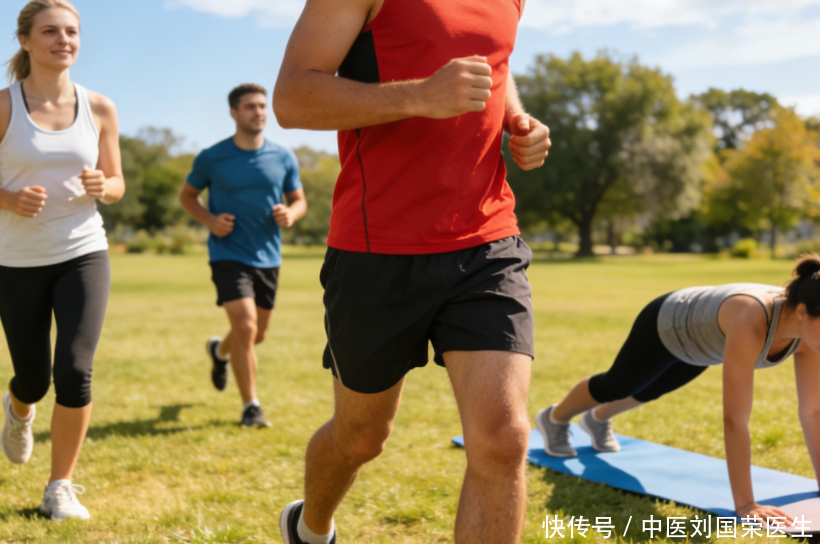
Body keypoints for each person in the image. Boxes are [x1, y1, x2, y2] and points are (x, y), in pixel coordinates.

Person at [273, 0, 551, 542]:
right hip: (377, 247)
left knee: (504, 438)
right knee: (361, 437)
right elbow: (292, 98)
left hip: (487, 238)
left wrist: (516, 118)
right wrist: (420, 95)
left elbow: (495, 63)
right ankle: (309, 526)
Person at [537, 255, 820, 526]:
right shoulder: (752, 319)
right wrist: (746, 504)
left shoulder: (807, 334)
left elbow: (812, 412)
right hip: (671, 321)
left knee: (649, 390)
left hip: (704, 345)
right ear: (802, 312)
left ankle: (596, 419)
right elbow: (735, 419)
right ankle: (554, 418)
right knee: (617, 385)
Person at [0, 0, 125, 521]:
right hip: (15, 260)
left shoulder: (99, 107)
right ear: (25, 40)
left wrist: (103, 185)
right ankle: (18, 407)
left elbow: (116, 183)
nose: (63, 40)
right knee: (33, 379)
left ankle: (60, 487)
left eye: (71, 31)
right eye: (50, 31)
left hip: (82, 251)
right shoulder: (4, 106)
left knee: (74, 369)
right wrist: (8, 198)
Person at [179, 84, 306, 428]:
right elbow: (187, 196)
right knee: (246, 326)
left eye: (262, 106)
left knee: (256, 334)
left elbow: (298, 200)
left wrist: (291, 214)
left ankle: (219, 351)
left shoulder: (283, 157)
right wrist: (210, 220)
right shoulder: (212, 157)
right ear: (234, 113)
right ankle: (251, 406)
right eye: (250, 106)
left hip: (268, 256)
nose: (259, 112)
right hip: (228, 253)